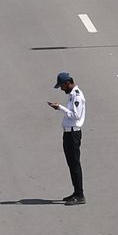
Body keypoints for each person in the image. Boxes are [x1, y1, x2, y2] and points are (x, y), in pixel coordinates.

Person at [48, 71, 85, 205]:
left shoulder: (77, 96)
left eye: (62, 86)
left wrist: (60, 108)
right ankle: (76, 192)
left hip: (73, 134)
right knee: (71, 164)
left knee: (75, 164)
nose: (61, 89)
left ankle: (80, 195)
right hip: (68, 133)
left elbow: (76, 116)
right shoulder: (71, 95)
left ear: (67, 83)